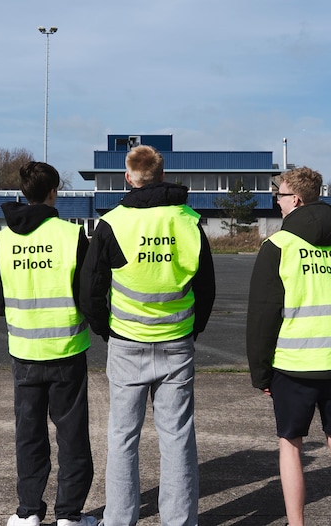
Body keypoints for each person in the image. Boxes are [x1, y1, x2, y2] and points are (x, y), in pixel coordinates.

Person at [78, 144, 216, 526]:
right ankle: (180, 520)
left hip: (126, 341)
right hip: (177, 341)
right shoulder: (188, 221)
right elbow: (206, 288)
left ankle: (119, 519)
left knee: (122, 436)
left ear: (129, 177)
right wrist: (192, 329)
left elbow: (90, 290)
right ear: (161, 173)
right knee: (178, 436)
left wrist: (107, 330)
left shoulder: (113, 222)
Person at [245, 166, 331, 526]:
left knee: (291, 444)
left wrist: (261, 373)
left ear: (296, 200)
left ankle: (297, 524)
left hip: (292, 366)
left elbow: (262, 318)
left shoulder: (278, 246)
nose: (277, 201)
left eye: (280, 196)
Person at [0, 161, 98, 526]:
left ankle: (30, 512)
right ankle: (69, 515)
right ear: (53, 193)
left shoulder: (3, 239)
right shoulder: (71, 236)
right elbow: (87, 296)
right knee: (72, 437)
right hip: (67, 352)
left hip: (25, 354)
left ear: (25, 193)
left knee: (29, 436)